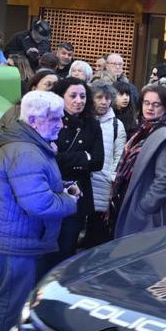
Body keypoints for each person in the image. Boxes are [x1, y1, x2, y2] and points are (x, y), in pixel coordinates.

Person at [0, 90, 80, 331]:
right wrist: (69, 200)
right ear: (34, 119)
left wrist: (60, 185)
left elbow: (34, 187)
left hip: (8, 234)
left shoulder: (25, 143)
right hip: (12, 240)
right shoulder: (27, 152)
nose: (61, 123)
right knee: (10, 299)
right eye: (55, 118)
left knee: (10, 295)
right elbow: (39, 204)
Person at [108, 85, 166, 237]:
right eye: (146, 103)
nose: (150, 108)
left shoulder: (165, 136)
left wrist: (144, 207)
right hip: (129, 200)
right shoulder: (142, 130)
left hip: (143, 209)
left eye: (156, 104)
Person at [51, 77, 103, 261]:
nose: (78, 101)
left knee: (68, 247)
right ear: (61, 97)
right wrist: (83, 157)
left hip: (79, 194)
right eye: (73, 96)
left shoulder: (92, 124)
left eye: (82, 96)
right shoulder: (51, 120)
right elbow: (49, 159)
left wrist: (63, 158)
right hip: (52, 190)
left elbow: (97, 162)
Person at [84, 81, 126, 248]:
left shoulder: (117, 125)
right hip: (84, 182)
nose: (104, 102)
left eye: (108, 98)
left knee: (96, 233)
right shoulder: (84, 120)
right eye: (99, 97)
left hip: (103, 184)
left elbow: (119, 157)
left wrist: (112, 181)